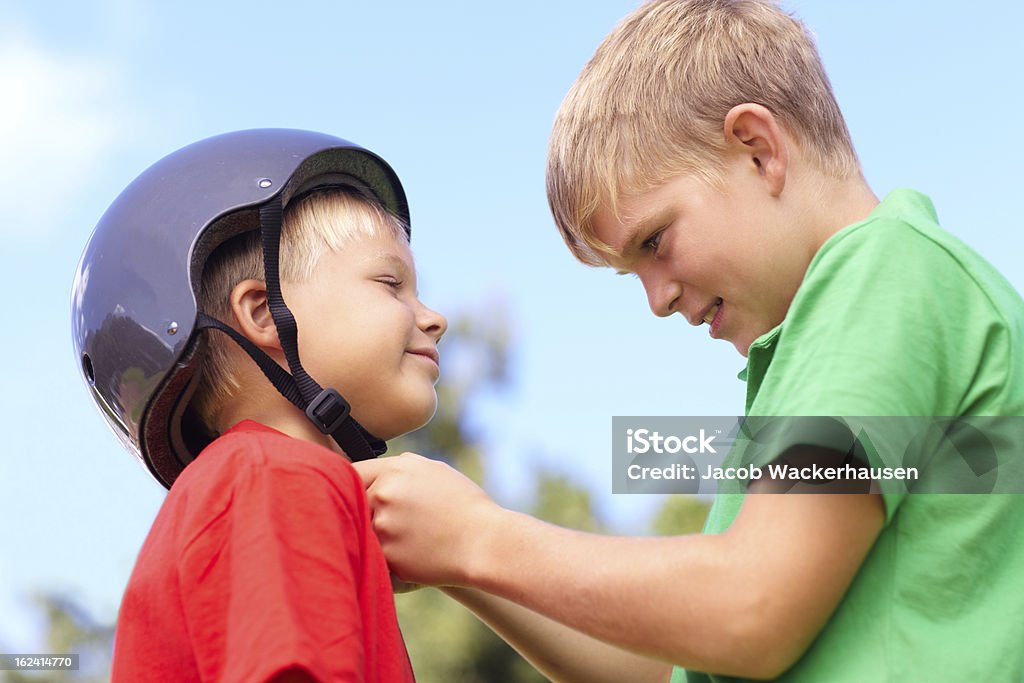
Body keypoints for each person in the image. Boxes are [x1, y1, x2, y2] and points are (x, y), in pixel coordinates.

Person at [353, 1, 1024, 681]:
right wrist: (456, 557)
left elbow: (751, 608)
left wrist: (479, 537)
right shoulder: (815, 357)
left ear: (759, 150)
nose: (657, 299)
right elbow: (681, 662)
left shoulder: (885, 273)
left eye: (654, 242)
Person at [71, 128, 447, 682]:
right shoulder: (277, 476)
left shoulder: (252, 483)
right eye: (392, 284)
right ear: (266, 313)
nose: (435, 318)